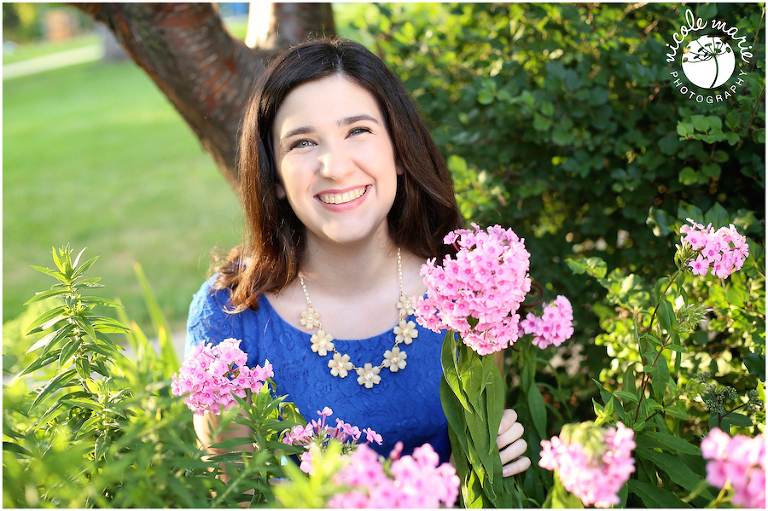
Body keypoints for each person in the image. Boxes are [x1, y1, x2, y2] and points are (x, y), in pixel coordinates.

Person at [185, 37, 531, 479]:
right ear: (274, 176)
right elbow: (233, 493)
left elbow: (482, 455)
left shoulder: (469, 284)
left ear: (399, 150)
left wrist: (487, 462)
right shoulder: (230, 318)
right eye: (303, 143)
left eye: (358, 131)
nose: (335, 165)